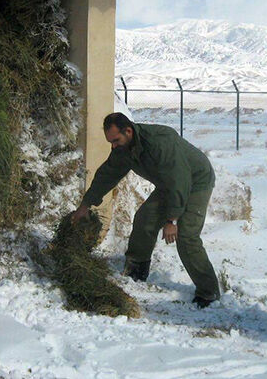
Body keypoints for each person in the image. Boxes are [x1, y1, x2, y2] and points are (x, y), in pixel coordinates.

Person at [72, 112, 221, 308]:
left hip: (195, 181)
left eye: (116, 140)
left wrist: (172, 221)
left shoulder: (160, 143)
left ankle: (208, 293)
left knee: (186, 236)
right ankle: (136, 270)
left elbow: (180, 180)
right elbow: (107, 175)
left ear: (128, 131)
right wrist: (85, 206)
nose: (113, 146)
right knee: (145, 219)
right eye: (110, 141)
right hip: (170, 183)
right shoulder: (123, 148)